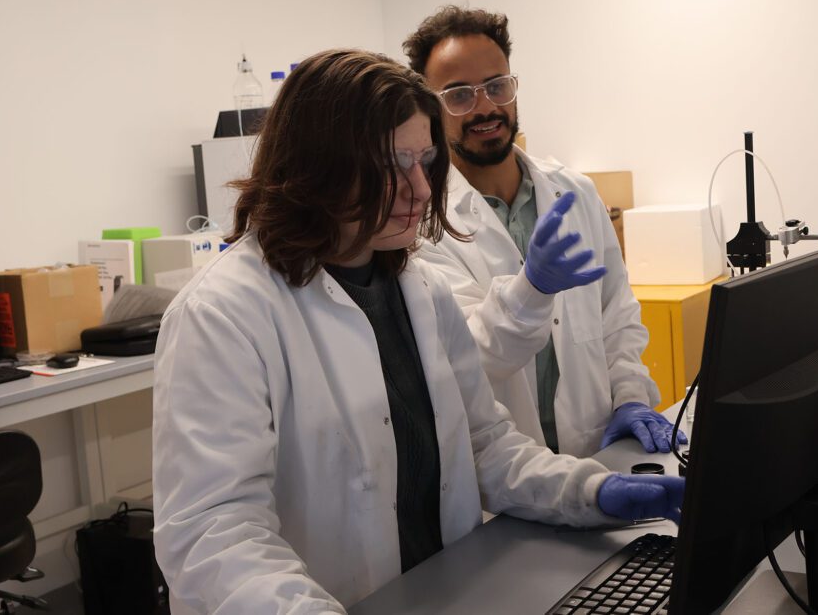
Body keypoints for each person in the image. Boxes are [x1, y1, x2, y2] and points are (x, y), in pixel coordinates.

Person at [151, 49, 684, 614]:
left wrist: (593, 491)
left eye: (425, 160)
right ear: (317, 168)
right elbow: (214, 535)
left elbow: (485, 447)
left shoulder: (420, 289)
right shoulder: (222, 315)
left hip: (445, 592)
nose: (421, 190)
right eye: (391, 165)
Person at [404, 6, 686, 458]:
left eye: (497, 86)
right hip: (503, 478)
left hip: (601, 450)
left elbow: (617, 315)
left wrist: (630, 396)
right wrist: (530, 291)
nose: (486, 108)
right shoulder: (422, 226)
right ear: (429, 109)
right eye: (459, 95)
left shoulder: (575, 192)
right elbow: (470, 360)